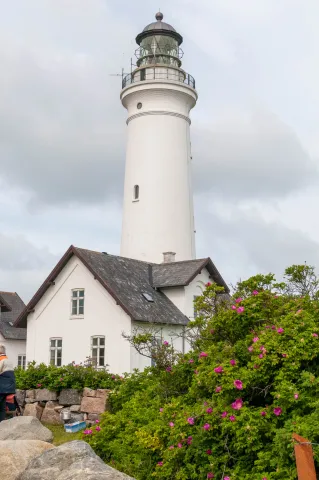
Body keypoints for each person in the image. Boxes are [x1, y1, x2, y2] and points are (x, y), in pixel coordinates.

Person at [0, 345, 16, 422]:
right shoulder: (8, 360)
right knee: (2, 407)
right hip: (9, 387)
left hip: (2, 387)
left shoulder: (1, 360)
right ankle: (2, 423)